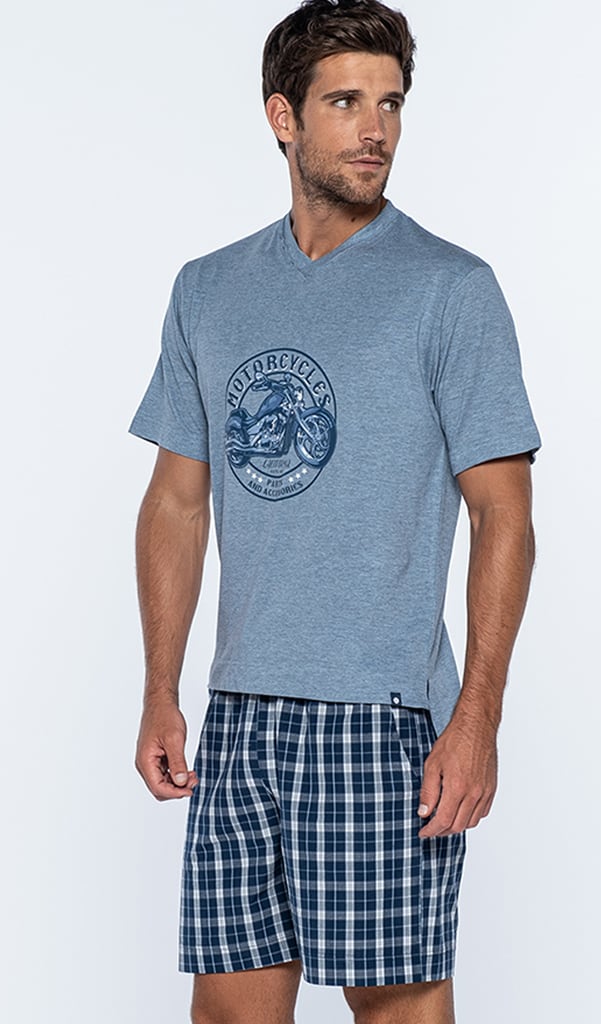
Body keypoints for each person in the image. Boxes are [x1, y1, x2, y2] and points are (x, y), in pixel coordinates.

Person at [128, 2, 541, 1021]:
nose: (376, 130)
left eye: (390, 104)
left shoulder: (450, 289)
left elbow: (503, 516)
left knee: (395, 1007)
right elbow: (176, 501)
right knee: (229, 1010)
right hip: (241, 714)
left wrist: (477, 717)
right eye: (347, 102)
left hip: (383, 718)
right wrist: (160, 690)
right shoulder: (208, 291)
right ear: (284, 116)